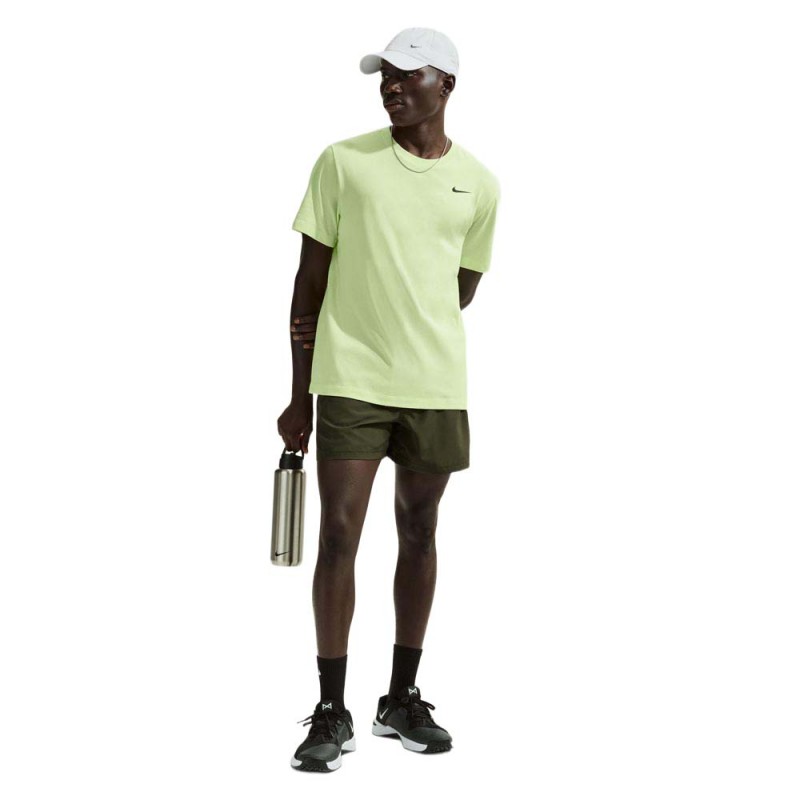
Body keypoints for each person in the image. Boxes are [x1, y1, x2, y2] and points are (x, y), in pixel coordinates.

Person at [278, 27, 501, 772]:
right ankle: (330, 709)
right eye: (386, 76)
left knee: (420, 531)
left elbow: (459, 288)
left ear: (448, 86)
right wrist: (299, 395)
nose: (392, 86)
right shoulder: (344, 163)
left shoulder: (480, 184)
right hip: (350, 379)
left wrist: (411, 321)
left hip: (435, 385)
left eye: (409, 75)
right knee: (339, 534)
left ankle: (401, 698)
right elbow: (308, 286)